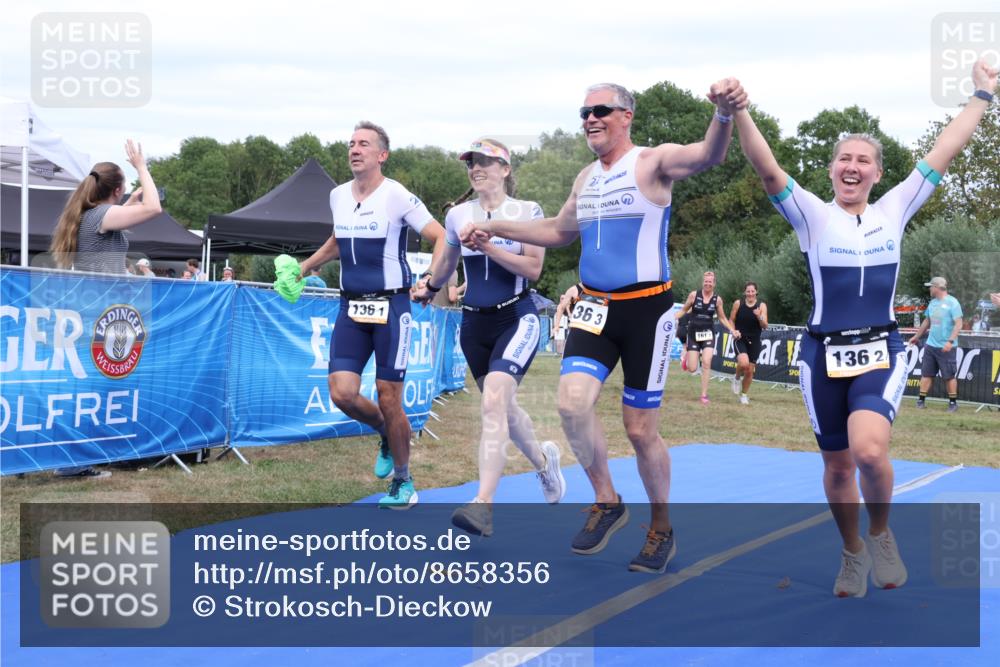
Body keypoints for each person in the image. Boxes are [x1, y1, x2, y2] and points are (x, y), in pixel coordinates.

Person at [731, 58, 997, 597]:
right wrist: (739, 112)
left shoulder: (895, 209)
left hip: (880, 349)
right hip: (820, 354)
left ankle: (879, 534)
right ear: (832, 170)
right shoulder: (810, 214)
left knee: (870, 451)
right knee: (836, 469)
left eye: (864, 161)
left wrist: (983, 96)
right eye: (844, 159)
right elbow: (767, 170)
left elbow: (945, 148)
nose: (852, 167)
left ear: (877, 172)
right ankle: (851, 551)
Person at [461, 78, 746, 573]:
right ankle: (607, 499)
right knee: (571, 405)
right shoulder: (585, 177)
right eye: (584, 112)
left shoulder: (653, 161)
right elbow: (557, 231)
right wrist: (499, 228)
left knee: (639, 431)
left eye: (601, 110)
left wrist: (722, 115)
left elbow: (709, 156)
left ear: (626, 116)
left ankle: (661, 526)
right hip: (595, 309)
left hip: (645, 311)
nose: (590, 119)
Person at [413, 138, 565, 535]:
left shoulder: (527, 212)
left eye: (485, 162)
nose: (476, 168)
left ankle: (483, 504)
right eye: (471, 164)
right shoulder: (458, 215)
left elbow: (533, 270)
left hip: (516, 318)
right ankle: (544, 463)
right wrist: (429, 287)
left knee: (494, 401)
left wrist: (488, 245)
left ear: (505, 169)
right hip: (473, 326)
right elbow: (446, 264)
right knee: (505, 410)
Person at [298, 121, 446, 509]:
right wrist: (303, 268)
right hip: (351, 306)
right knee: (341, 393)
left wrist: (432, 277)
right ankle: (383, 429)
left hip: (392, 308)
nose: (354, 149)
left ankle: (403, 482)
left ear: (382, 155)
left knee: (389, 396)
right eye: (350, 143)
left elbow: (443, 235)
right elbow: (336, 241)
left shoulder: (396, 195)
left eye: (364, 144)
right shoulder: (337, 196)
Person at [49, 139, 162, 478]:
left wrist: (130, 199)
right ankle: (72, 463)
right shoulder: (100, 216)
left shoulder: (93, 214)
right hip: (99, 314)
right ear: (115, 190)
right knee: (90, 390)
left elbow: (115, 227)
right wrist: (141, 165)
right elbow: (155, 208)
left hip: (98, 313)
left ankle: (85, 456)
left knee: (97, 389)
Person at [675, 271, 739, 404]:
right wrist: (671, 318)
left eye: (710, 281)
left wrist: (732, 330)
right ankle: (687, 357)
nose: (707, 283)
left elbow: (722, 318)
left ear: (714, 284)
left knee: (706, 362)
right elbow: (684, 310)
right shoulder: (693, 295)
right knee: (692, 368)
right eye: (706, 281)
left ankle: (704, 395)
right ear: (702, 282)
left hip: (708, 334)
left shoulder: (717, 300)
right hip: (693, 334)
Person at [908, 277, 963, 412]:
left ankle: (953, 404)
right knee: (926, 374)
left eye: (931, 286)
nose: (929, 289)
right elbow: (927, 321)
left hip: (946, 347)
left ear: (937, 287)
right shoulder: (932, 303)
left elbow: (959, 323)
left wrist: (950, 342)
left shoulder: (953, 302)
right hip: (930, 345)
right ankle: (920, 401)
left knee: (949, 376)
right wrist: (916, 336)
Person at [729, 281, 768, 405]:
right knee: (744, 363)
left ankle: (744, 395)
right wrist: (733, 331)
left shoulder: (761, 306)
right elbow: (731, 320)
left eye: (752, 291)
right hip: (740, 338)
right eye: (748, 291)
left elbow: (765, 325)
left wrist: (759, 316)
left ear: (756, 292)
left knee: (750, 371)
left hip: (755, 340)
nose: (750, 293)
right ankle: (736, 378)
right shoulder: (738, 304)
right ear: (744, 292)